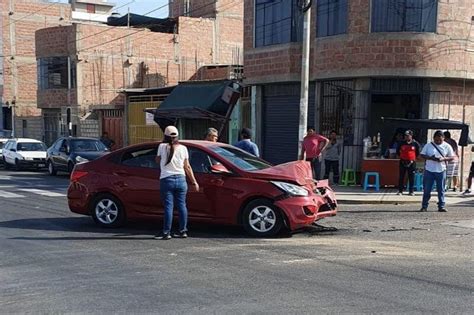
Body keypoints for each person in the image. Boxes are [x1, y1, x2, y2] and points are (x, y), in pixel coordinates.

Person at [155, 126, 199, 240]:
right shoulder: (183, 148)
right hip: (181, 179)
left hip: (166, 179)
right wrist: (194, 182)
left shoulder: (162, 147)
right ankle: (183, 231)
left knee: (168, 206)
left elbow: (157, 160)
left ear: (165, 136)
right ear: (177, 136)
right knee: (182, 206)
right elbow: (187, 166)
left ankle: (166, 232)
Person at [419, 130, 455, 212]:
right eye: (436, 140)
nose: (438, 141)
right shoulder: (428, 145)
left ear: (443, 138)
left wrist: (443, 158)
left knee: (441, 189)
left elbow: (452, 157)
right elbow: (422, 154)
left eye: (440, 140)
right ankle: (424, 206)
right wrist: (431, 158)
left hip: (441, 170)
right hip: (429, 170)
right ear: (433, 138)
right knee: (427, 189)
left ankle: (441, 206)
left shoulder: (447, 146)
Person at [396, 130, 420, 196]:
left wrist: (413, 158)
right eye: (405, 136)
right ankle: (400, 190)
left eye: (408, 136)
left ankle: (411, 191)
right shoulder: (401, 143)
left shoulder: (415, 143)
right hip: (403, 161)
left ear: (411, 136)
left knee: (411, 177)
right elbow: (397, 151)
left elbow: (417, 152)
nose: (406, 137)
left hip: (412, 162)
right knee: (401, 176)